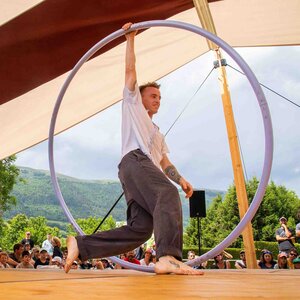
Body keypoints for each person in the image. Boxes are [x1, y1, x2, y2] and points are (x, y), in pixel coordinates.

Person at [64, 22, 202, 276]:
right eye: (153, 96)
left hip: (137, 171)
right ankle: (167, 257)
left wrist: (181, 179)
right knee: (167, 195)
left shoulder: (157, 133)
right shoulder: (132, 105)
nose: (157, 100)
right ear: (140, 96)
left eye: (160, 98)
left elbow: (164, 163)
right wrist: (130, 39)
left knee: (140, 229)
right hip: (134, 161)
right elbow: (130, 72)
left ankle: (81, 244)